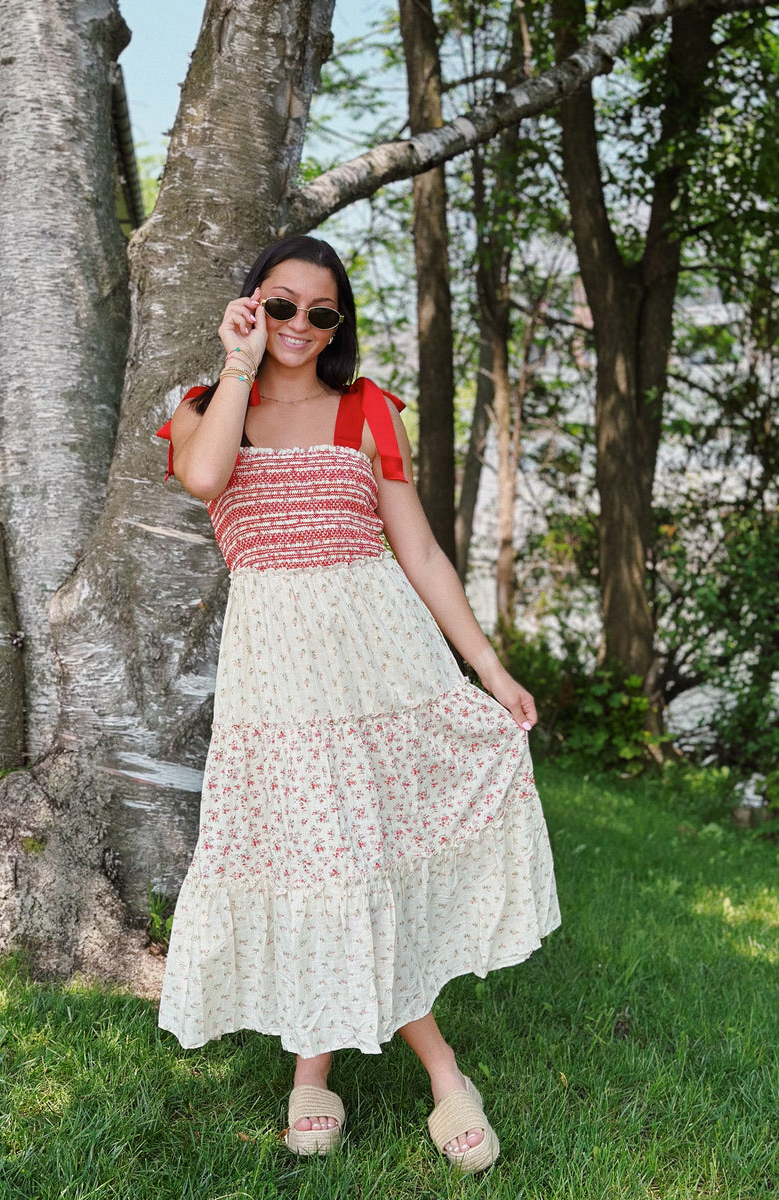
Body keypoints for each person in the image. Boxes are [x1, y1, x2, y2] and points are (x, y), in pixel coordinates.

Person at [157, 234, 560, 1173]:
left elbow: (419, 552)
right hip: (277, 685)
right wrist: (238, 363)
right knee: (322, 861)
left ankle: (335, 1075)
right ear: (251, 304)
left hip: (383, 671)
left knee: (357, 858)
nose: (299, 324)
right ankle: (421, 1070)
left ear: (338, 324)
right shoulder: (203, 407)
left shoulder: (370, 409)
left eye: (320, 312)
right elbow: (206, 479)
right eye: (281, 304)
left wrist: (490, 670)